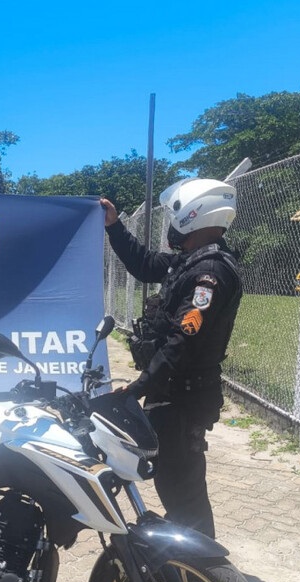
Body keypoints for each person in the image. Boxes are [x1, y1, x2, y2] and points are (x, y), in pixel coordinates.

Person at [102, 178, 243, 539]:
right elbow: (146, 265)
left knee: (184, 487)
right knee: (174, 480)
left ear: (193, 217)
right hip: (173, 391)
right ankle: (193, 562)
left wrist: (138, 388)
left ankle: (203, 576)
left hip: (183, 396)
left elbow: (183, 340)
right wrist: (114, 227)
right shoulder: (189, 262)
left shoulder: (208, 274)